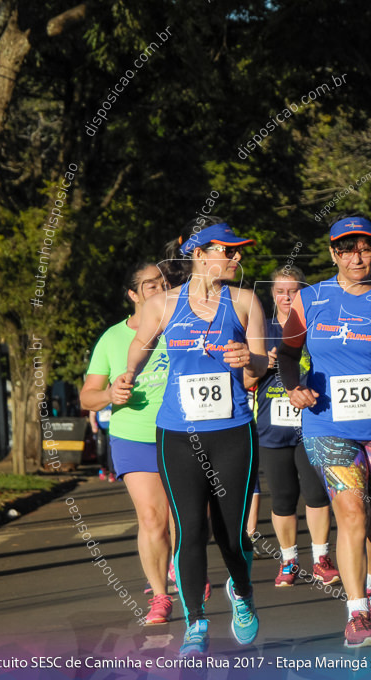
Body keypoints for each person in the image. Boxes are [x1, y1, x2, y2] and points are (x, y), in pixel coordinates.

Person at [278, 215, 371, 648]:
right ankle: (356, 611)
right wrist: (295, 388)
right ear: (333, 254)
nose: (357, 256)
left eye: (365, 247)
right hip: (328, 425)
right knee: (352, 514)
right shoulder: (310, 299)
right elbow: (287, 354)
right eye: (347, 249)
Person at [117, 219, 268, 656]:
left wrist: (249, 359)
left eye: (240, 251)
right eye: (230, 250)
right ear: (201, 254)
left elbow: (258, 365)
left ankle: (242, 591)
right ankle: (196, 625)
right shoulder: (163, 304)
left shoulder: (244, 302)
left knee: (233, 533)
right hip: (178, 435)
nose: (238, 258)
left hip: (233, 431)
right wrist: (130, 373)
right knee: (189, 528)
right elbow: (140, 345)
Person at [80, 263, 173, 625]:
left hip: (181, 434)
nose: (160, 289)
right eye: (151, 285)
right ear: (133, 295)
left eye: (164, 283)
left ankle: (182, 568)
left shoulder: (180, 327)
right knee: (152, 517)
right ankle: (160, 595)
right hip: (133, 435)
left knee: (185, 518)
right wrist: (109, 394)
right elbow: (87, 398)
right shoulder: (112, 338)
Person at [249, 265, 340, 587]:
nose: (287, 297)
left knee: (316, 494)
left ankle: (321, 559)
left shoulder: (317, 324)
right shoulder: (262, 329)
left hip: (313, 423)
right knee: (283, 498)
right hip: (272, 429)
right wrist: (262, 364)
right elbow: (244, 379)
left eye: (294, 291)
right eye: (280, 291)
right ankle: (289, 562)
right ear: (272, 295)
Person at [90, 406, 115, 482]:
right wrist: (93, 425)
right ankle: (102, 468)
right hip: (101, 429)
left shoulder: (112, 399)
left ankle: (112, 472)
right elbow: (92, 414)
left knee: (110, 451)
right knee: (100, 451)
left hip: (112, 429)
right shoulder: (98, 398)